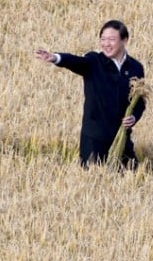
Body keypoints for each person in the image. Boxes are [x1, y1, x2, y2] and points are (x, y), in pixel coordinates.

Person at [35, 20, 145, 168]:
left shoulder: (136, 68)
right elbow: (77, 61)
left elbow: (139, 101)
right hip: (94, 139)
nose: (106, 44)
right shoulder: (94, 62)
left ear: (125, 40)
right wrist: (56, 58)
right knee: (93, 182)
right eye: (103, 39)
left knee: (130, 178)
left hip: (121, 138)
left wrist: (134, 117)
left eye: (111, 39)